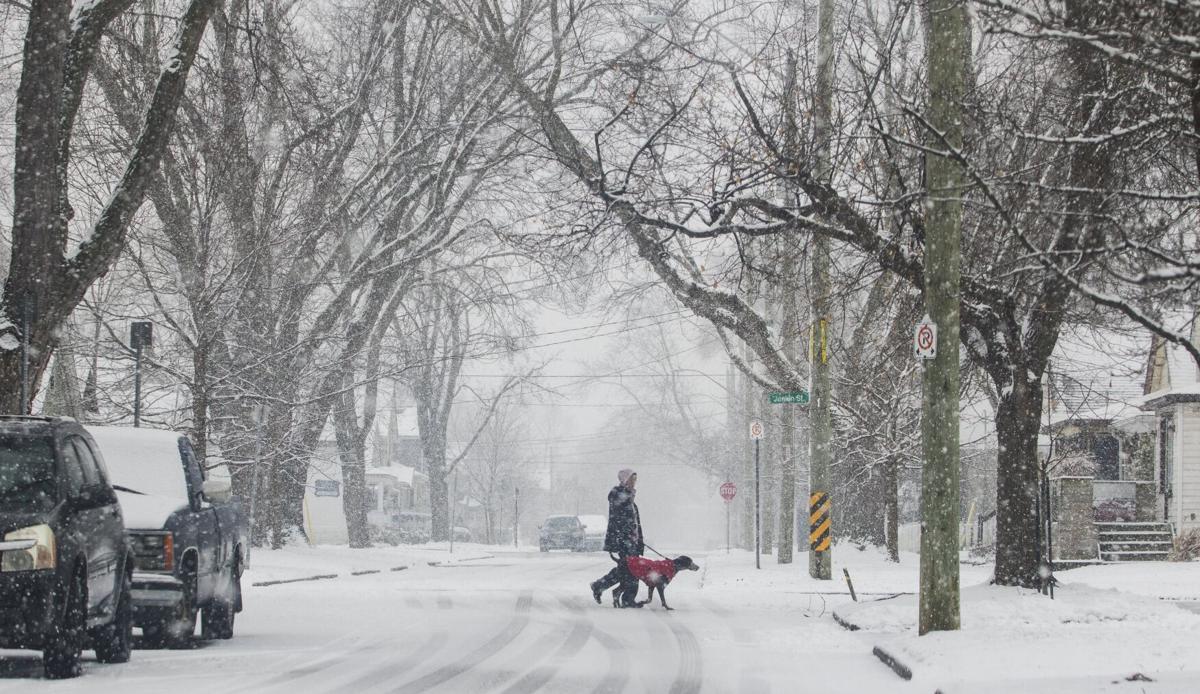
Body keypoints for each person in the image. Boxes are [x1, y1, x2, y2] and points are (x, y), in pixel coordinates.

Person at [589, 468, 644, 607]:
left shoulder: (628, 497)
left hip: (632, 542)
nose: (634, 482)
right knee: (630, 570)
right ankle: (626, 598)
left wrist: (639, 540)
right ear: (625, 480)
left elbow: (635, 523)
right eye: (632, 479)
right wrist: (628, 536)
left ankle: (600, 586)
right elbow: (620, 519)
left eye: (635, 480)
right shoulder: (618, 495)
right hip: (624, 541)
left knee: (627, 570)